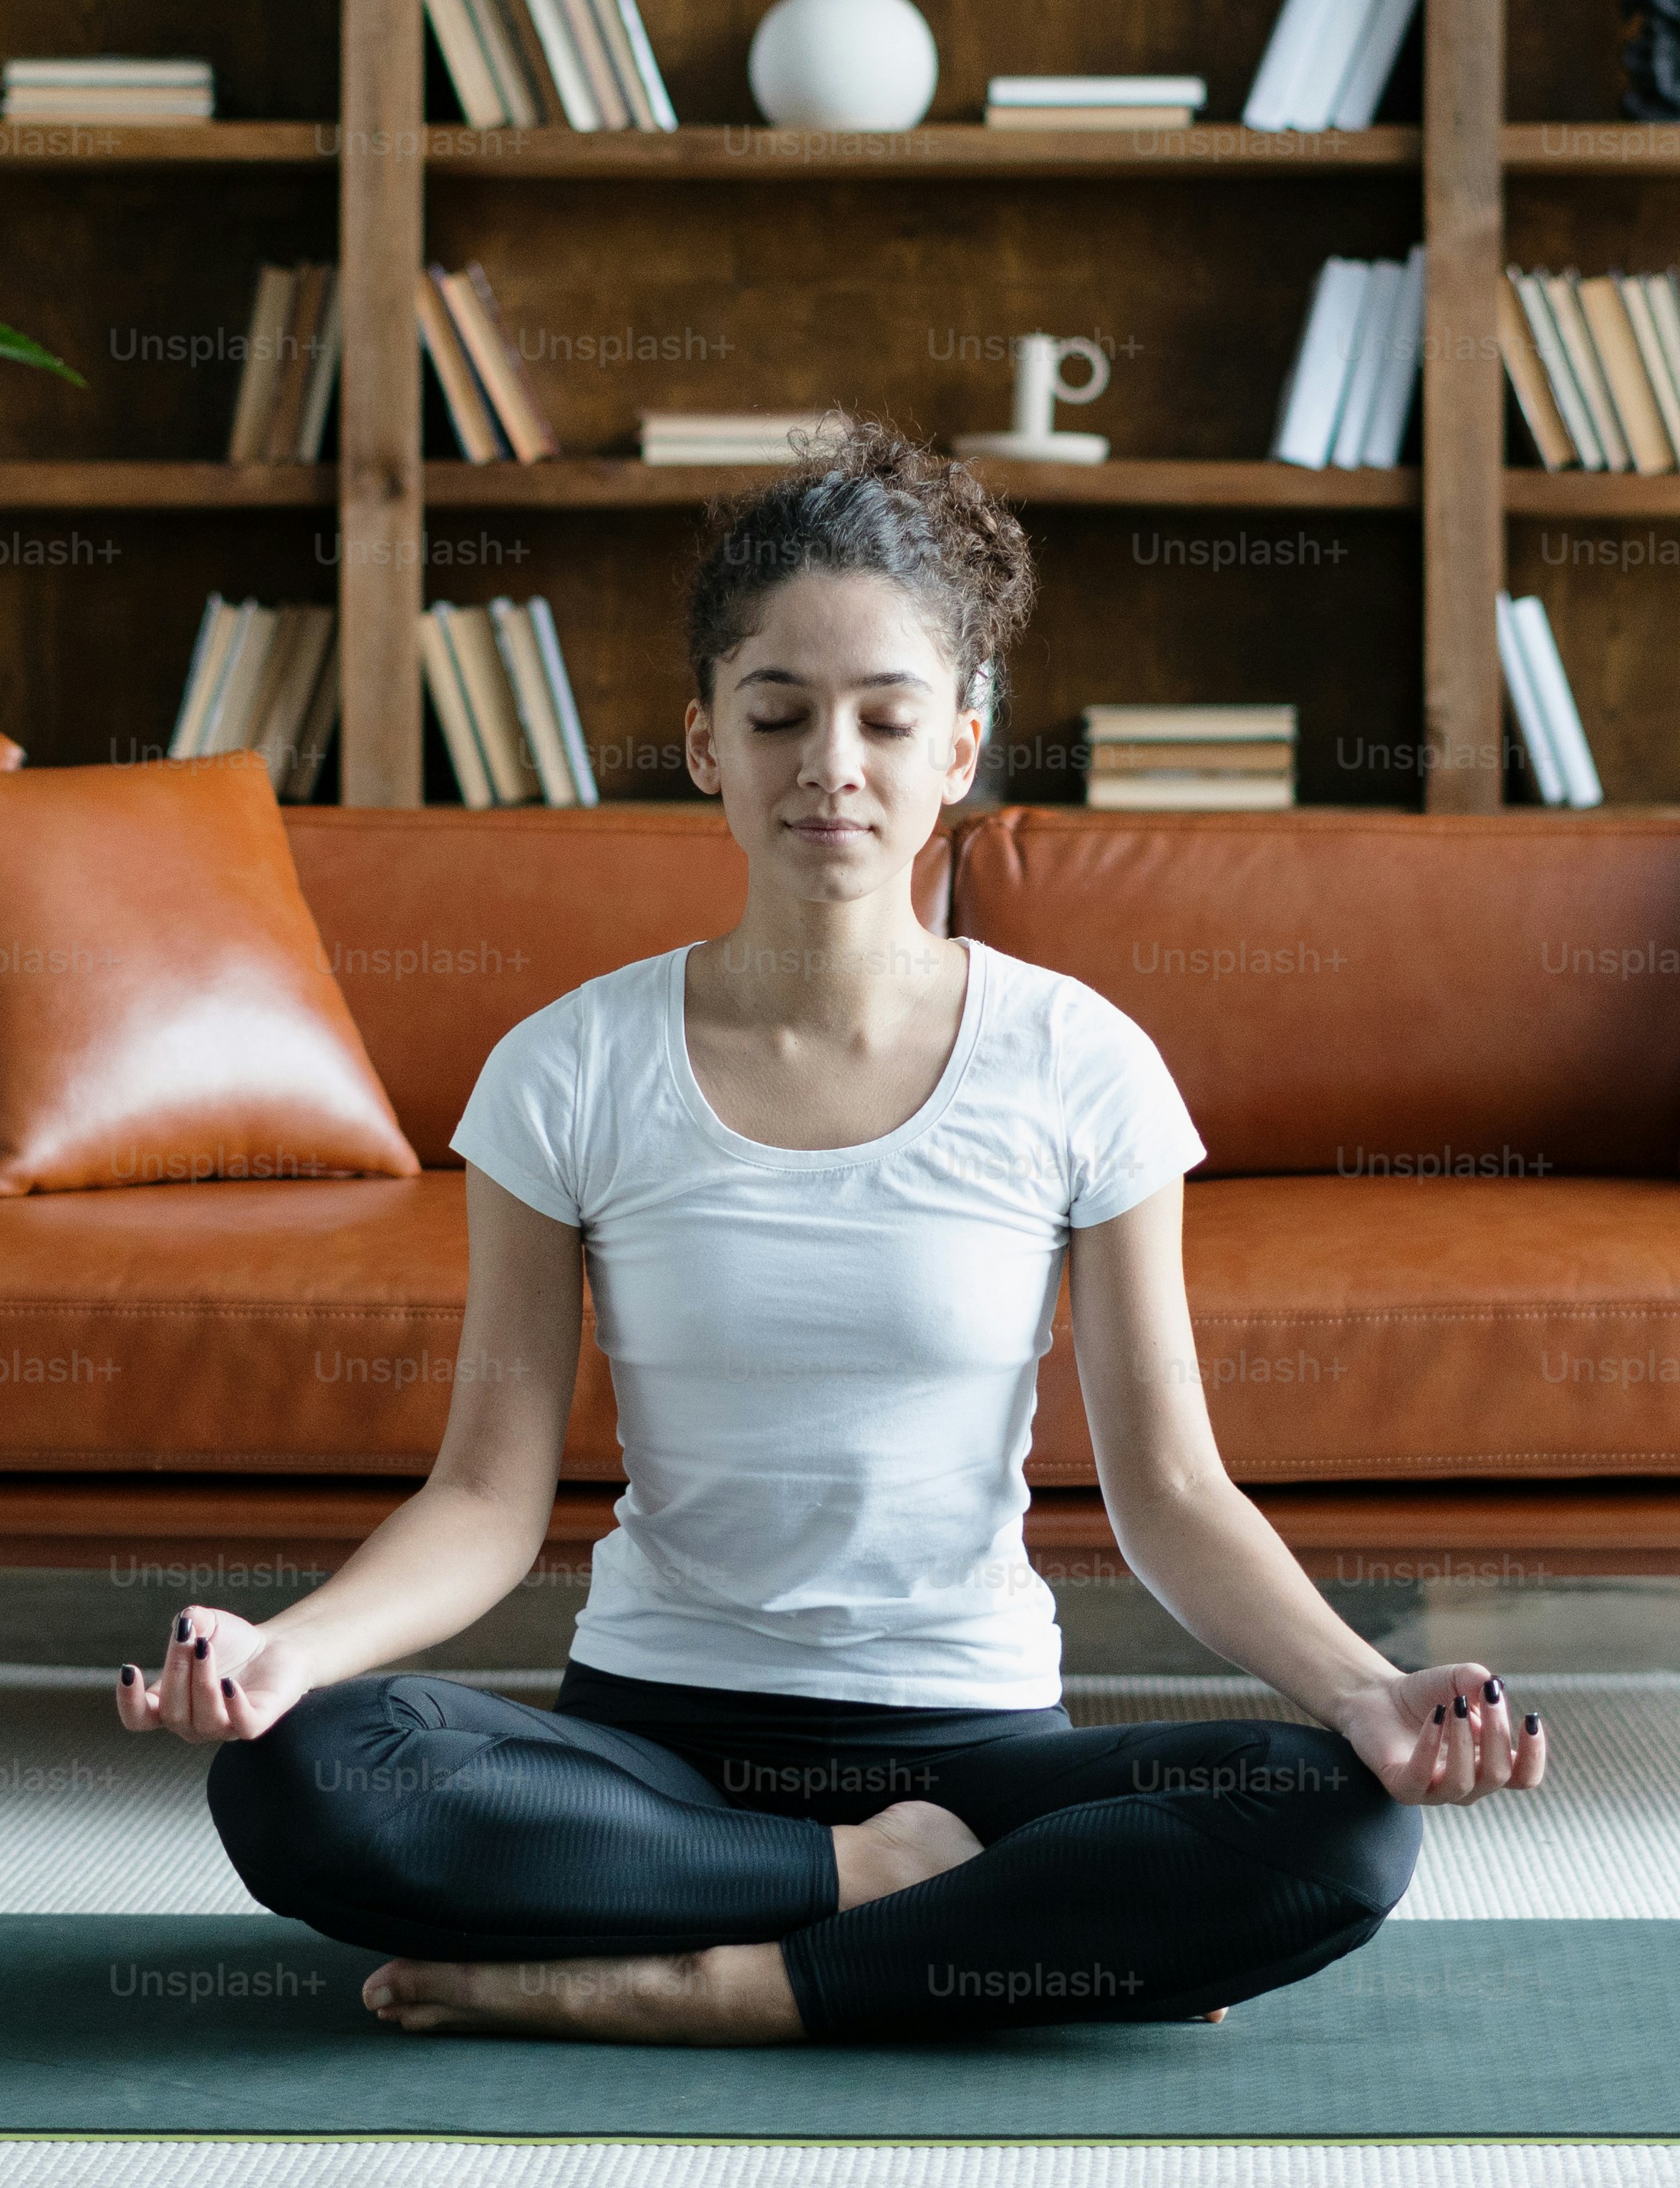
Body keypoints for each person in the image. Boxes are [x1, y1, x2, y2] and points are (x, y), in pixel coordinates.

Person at [120, 419, 1542, 2045]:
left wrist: (1367, 1695)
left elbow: (1169, 1495)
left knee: (1342, 1821)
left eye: (885, 717)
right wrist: (278, 1656)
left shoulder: (1080, 1063)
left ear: (961, 749)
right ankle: (874, 1899)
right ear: (705, 742)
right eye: (777, 714)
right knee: (303, 1781)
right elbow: (485, 1498)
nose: (830, 765)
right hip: (649, 1747)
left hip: (976, 1744)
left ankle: (706, 1982)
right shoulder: (567, 1067)